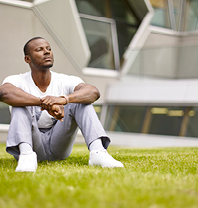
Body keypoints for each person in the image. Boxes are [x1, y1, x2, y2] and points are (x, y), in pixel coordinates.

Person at [0, 37, 123, 172]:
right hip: (31, 143)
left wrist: (63, 100)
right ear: (27, 59)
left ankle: (98, 152)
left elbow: (93, 92)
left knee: (80, 101)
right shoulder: (17, 79)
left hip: (58, 145)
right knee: (19, 102)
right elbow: (4, 93)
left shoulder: (65, 80)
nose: (47, 52)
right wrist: (46, 103)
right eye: (39, 49)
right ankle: (26, 155)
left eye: (49, 49)